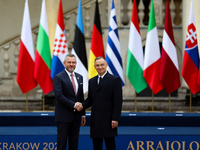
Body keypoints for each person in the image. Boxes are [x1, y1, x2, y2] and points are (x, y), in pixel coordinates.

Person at [75, 57, 123, 150]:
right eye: (97, 65)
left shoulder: (114, 80)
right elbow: (90, 100)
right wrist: (81, 105)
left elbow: (118, 101)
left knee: (110, 145)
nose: (100, 67)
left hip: (109, 120)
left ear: (106, 65)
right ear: (94, 67)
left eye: (102, 65)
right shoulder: (92, 81)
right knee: (96, 146)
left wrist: (115, 119)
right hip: (96, 120)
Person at [53, 54, 86, 150]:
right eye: (69, 62)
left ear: (76, 63)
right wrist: (74, 105)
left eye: (73, 62)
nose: (71, 64)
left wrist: (83, 115)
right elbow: (58, 96)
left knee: (74, 145)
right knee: (61, 145)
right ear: (64, 63)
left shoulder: (80, 77)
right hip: (63, 118)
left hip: (76, 118)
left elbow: (81, 97)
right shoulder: (58, 77)